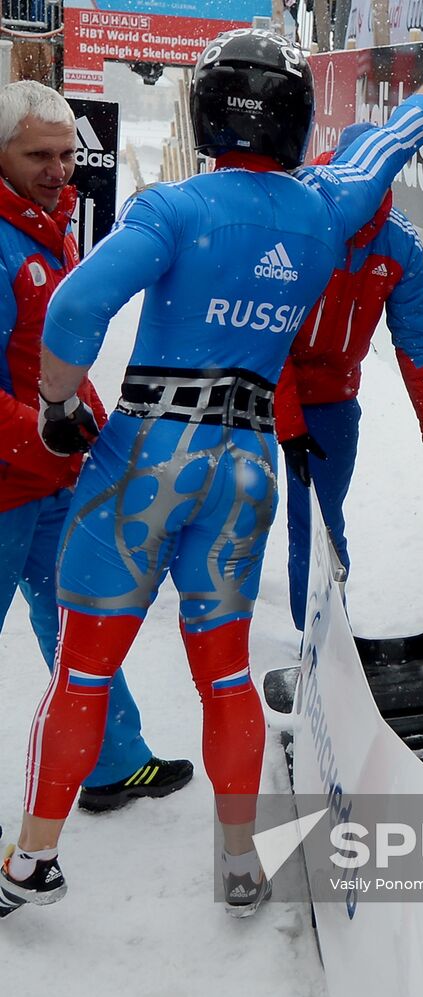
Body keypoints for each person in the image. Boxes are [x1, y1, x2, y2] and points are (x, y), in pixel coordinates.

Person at [0, 17, 423, 918]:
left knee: (83, 669)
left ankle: (33, 858)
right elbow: (389, 145)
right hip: (246, 459)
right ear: (294, 120)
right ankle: (237, 860)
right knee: (223, 672)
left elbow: (75, 311)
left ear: (205, 114)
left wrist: (62, 407)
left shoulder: (173, 208)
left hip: (149, 450)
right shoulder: (321, 210)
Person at [0, 82, 192, 834]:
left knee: (77, 620)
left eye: (66, 154)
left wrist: (89, 430)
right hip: (7, 481)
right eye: (38, 155)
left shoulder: (48, 224)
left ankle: (113, 762)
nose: (58, 169)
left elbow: (54, 361)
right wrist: (41, 431)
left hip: (46, 479)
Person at [276, 121, 423, 632]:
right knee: (238, 510)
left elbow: (418, 345)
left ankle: (320, 641)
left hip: (331, 395)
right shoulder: (295, 213)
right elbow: (264, 334)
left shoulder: (398, 243)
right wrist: (287, 423)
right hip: (256, 381)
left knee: (317, 521)